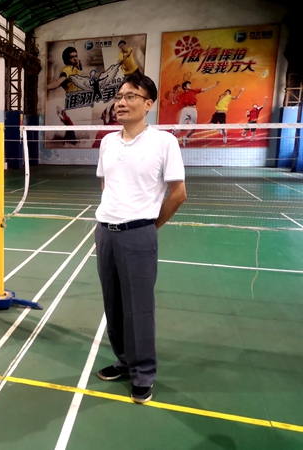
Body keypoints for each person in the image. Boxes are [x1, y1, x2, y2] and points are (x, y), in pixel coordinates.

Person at [94, 72, 187, 404]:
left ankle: (143, 373)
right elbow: (106, 184)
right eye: (119, 96)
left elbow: (178, 193)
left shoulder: (164, 142)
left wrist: (148, 227)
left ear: (149, 104)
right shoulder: (107, 142)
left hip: (139, 234)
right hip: (105, 233)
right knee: (114, 304)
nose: (121, 102)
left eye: (130, 96)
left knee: (139, 309)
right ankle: (124, 361)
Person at [172, 80, 218, 146]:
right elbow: (173, 101)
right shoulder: (182, 95)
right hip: (186, 110)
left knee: (193, 128)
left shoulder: (193, 91)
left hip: (193, 110)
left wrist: (214, 85)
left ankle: (185, 138)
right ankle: (174, 131)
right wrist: (174, 93)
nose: (190, 86)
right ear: (185, 87)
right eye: (188, 85)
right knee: (182, 128)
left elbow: (204, 89)